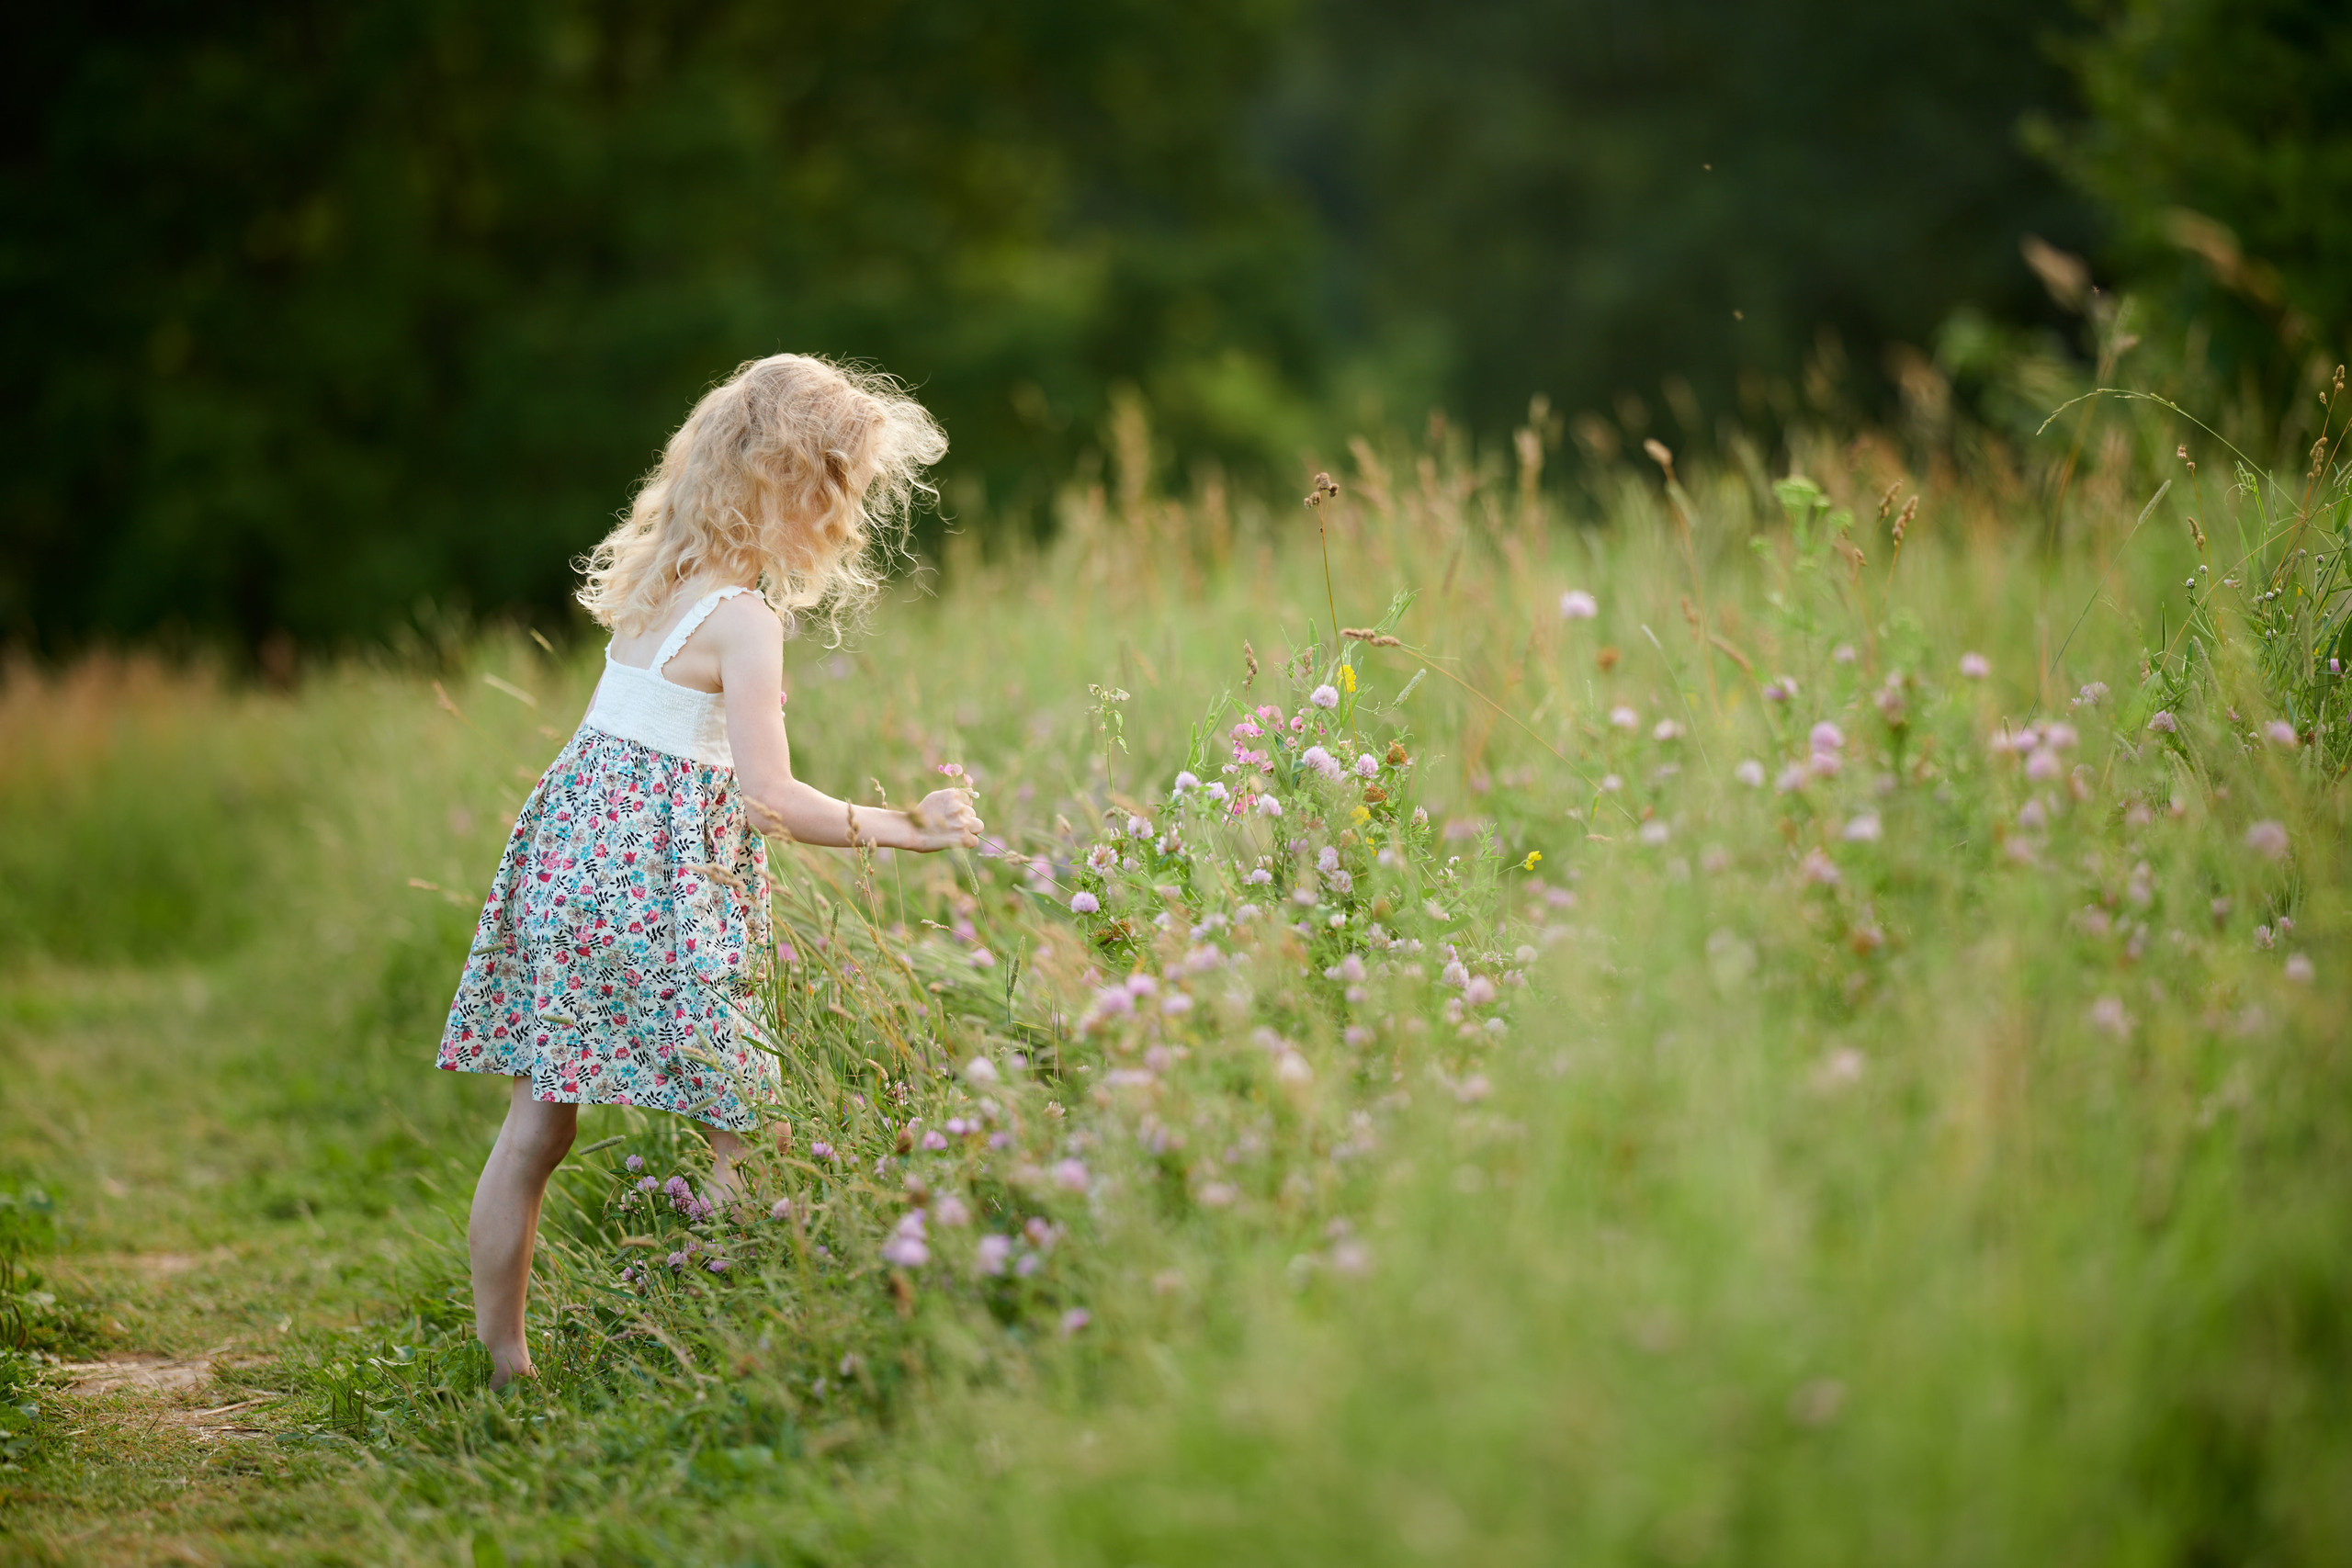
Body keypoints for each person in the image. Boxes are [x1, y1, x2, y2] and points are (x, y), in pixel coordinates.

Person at [435, 354, 982, 1389]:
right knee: (747, 1122)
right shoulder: (743, 621)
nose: (848, 520)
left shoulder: (655, 584)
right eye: (844, 494)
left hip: (564, 864)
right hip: (651, 889)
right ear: (792, 485)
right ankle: (724, 1346)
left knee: (537, 1124)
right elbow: (770, 799)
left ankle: (504, 1362)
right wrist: (905, 825)